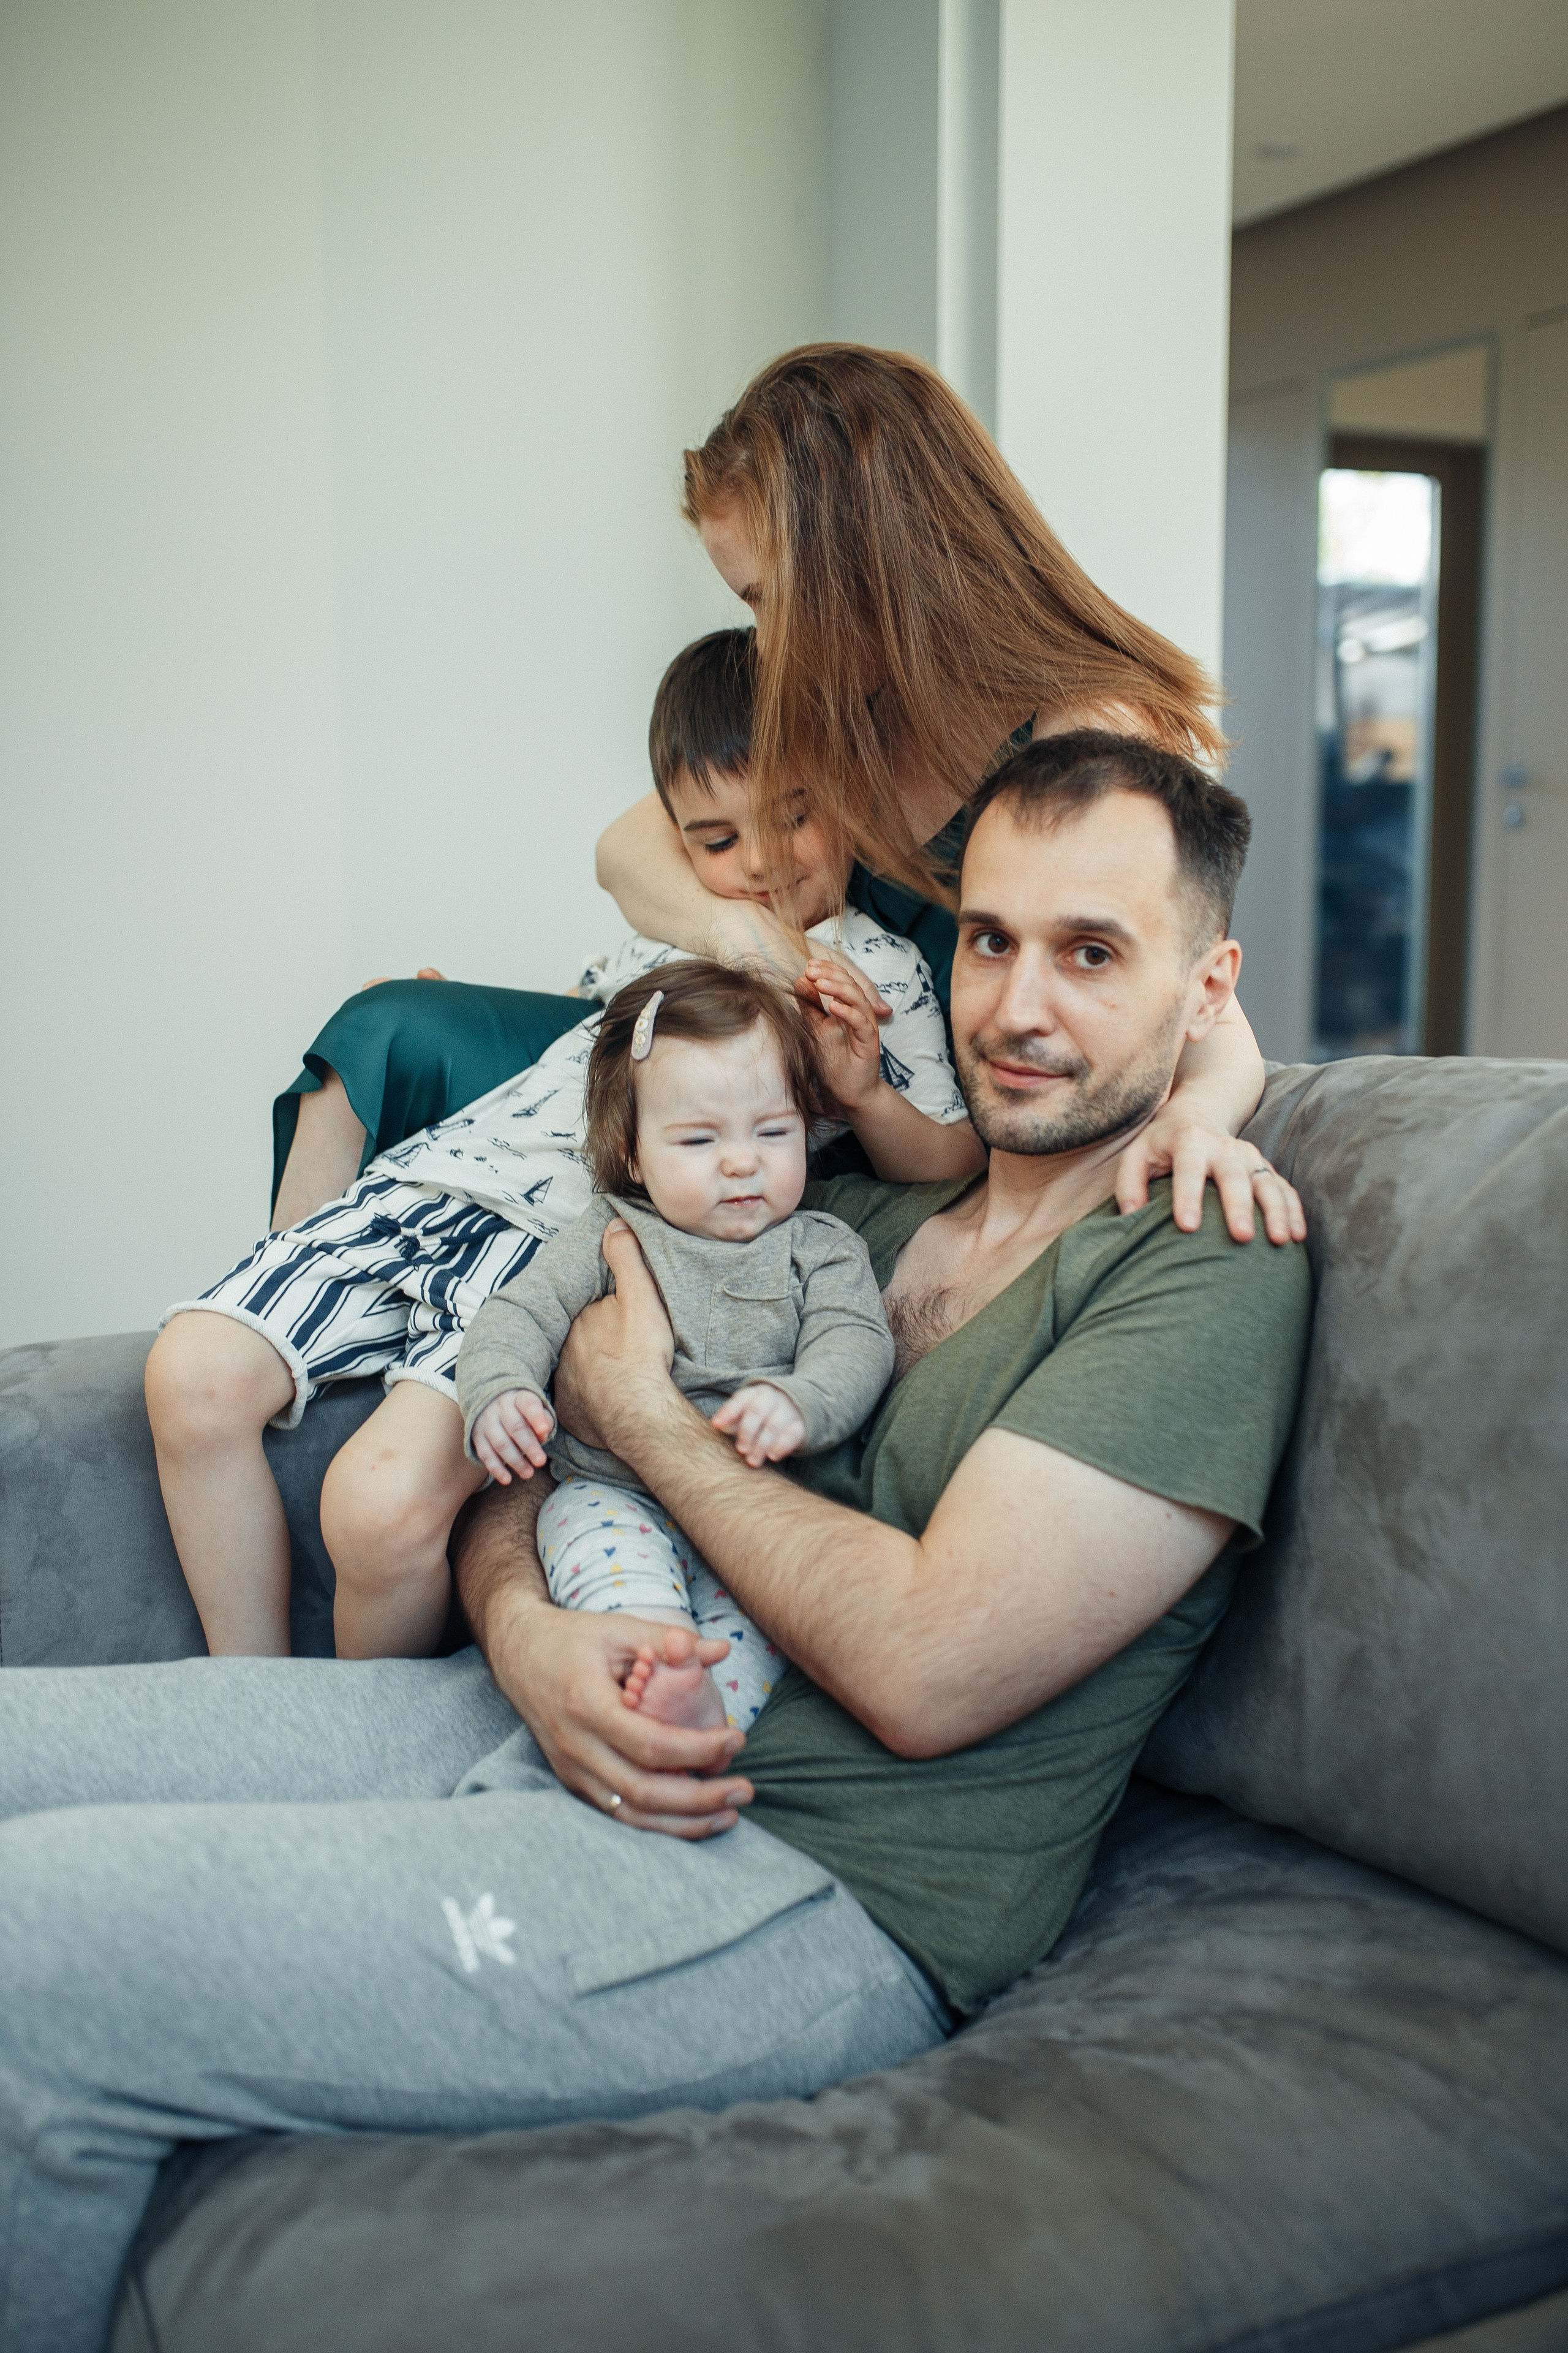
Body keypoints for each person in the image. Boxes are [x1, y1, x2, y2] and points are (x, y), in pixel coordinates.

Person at [0, 729, 1312, 2353]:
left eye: (1093, 952)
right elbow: (540, 1460)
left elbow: (924, 1664)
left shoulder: (1198, 1262)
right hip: (544, 1709)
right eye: (990, 940)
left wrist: (650, 1416)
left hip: (801, 1882)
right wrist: (527, 1629)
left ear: (1208, 988)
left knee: (27, 1958)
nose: (1020, 1008)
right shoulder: (862, 1204)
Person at [269, 344, 1303, 1262]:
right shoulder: (840, 702)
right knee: (386, 1034)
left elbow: (1200, 1002)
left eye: (767, 599)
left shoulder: (1087, 729)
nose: (760, 641)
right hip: (755, 1062)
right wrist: (754, 943)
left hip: (874, 1118)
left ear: (874, 558)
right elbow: (628, 849)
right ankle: (275, 1323)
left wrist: (1203, 1118)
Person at [146, 631, 976, 1663]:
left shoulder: (877, 974)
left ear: (848, 792)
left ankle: (353, 1752)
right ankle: (244, 1695)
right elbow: (580, 1020)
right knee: (188, 1376)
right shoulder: (682, 924)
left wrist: (859, 1090)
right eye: (716, 840)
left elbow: (944, 1159)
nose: (757, 863)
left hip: (556, 1237)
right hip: (435, 1180)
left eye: (793, 818)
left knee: (375, 1509)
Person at [460, 960, 897, 1735]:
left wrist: (802, 1401)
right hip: (612, 1494)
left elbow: (856, 1344)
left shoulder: (821, 1248)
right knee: (614, 1582)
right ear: (632, 1155)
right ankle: (648, 1672)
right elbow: (518, 1315)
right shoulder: (611, 1232)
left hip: (764, 1512)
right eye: (699, 1138)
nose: (741, 1160)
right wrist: (501, 1390)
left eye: (773, 1131)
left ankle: (703, 1719)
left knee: (762, 1632)